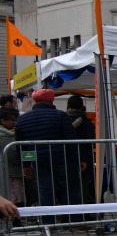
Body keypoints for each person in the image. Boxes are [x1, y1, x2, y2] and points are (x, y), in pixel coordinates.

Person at [15, 89, 82, 223]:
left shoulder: (22, 120)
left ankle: (48, 224)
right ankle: (74, 221)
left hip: (38, 161)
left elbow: (20, 146)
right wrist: (76, 159)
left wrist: (26, 166)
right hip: (62, 158)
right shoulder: (61, 116)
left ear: (34, 100)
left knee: (45, 191)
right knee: (69, 190)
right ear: (52, 100)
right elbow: (71, 140)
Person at [64, 95, 96, 204]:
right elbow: (89, 143)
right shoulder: (87, 123)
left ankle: (67, 213)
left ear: (67, 106)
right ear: (82, 106)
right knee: (82, 187)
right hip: (83, 160)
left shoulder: (62, 121)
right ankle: (82, 213)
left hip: (65, 159)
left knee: (67, 187)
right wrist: (84, 160)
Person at [0, 107, 22, 209]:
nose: (14, 122)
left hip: (8, 172)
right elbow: (13, 154)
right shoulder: (6, 136)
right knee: (14, 199)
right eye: (12, 120)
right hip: (11, 173)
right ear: (3, 121)